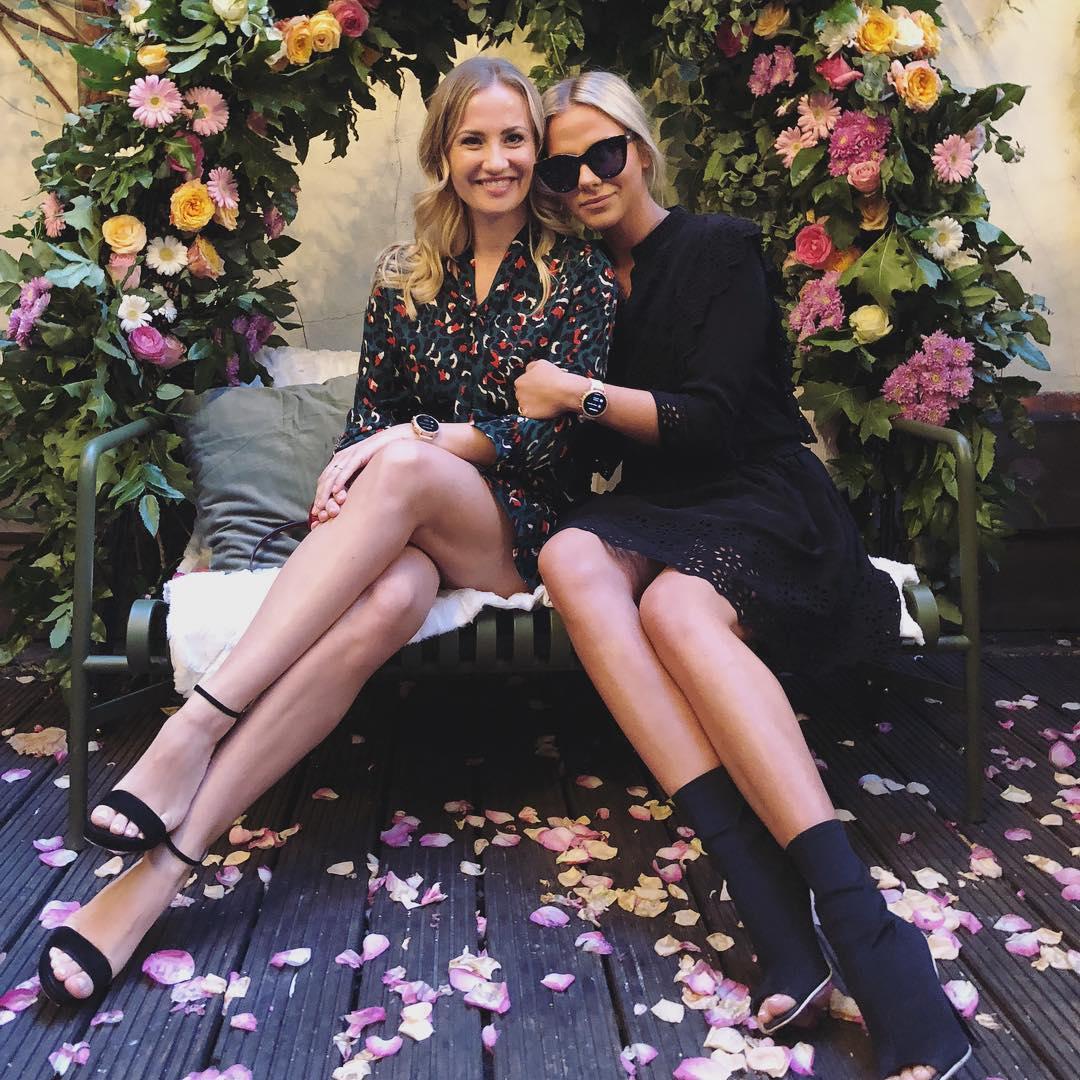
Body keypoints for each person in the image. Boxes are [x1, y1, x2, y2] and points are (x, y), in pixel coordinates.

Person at [39, 55, 615, 1006]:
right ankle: (161, 873)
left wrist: (408, 442)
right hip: (414, 535)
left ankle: (195, 725)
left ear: (535, 149)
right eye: (473, 139)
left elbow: (550, 438)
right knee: (385, 599)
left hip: (518, 529)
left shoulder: (579, 275)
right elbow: (366, 425)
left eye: (515, 138)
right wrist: (358, 476)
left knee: (407, 464)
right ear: (443, 153)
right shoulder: (404, 274)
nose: (497, 159)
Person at [517, 71, 971, 1080]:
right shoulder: (578, 283)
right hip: (659, 502)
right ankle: (772, 911)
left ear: (641, 149)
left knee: (679, 610)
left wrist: (576, 392)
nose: (586, 179)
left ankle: (861, 927)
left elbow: (714, 419)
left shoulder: (718, 247)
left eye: (604, 154)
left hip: (759, 488)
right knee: (568, 555)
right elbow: (575, 443)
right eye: (562, 168)